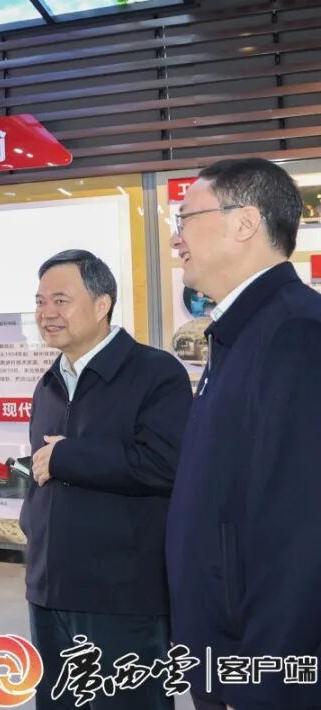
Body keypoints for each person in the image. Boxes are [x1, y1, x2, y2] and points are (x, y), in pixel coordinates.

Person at [166, 158, 321, 710]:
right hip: (225, 652)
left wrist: (263, 681)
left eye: (185, 219)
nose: (176, 238)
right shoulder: (244, 330)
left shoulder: (296, 334)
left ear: (245, 222)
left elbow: (301, 535)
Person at [20, 249, 192, 709]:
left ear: (102, 304)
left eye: (60, 300)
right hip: (49, 591)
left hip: (122, 596)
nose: (46, 313)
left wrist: (68, 457)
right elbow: (40, 473)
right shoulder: (50, 382)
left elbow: (166, 463)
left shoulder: (155, 373)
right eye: (40, 301)